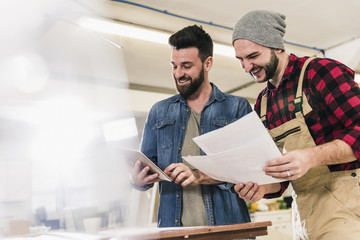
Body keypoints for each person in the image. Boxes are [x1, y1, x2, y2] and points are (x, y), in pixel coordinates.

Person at [231, 10, 360, 240]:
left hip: (349, 207)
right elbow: (279, 177)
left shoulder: (319, 72)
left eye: (253, 56)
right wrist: (261, 188)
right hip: (304, 215)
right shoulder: (262, 103)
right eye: (240, 60)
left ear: (276, 46)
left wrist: (311, 157)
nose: (247, 67)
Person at [129, 25, 252, 227]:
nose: (178, 74)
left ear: (208, 63)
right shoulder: (159, 112)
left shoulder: (237, 108)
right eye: (174, 66)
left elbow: (248, 168)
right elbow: (146, 170)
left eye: (186, 66)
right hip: (175, 233)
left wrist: (198, 175)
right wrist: (137, 180)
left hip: (229, 231)